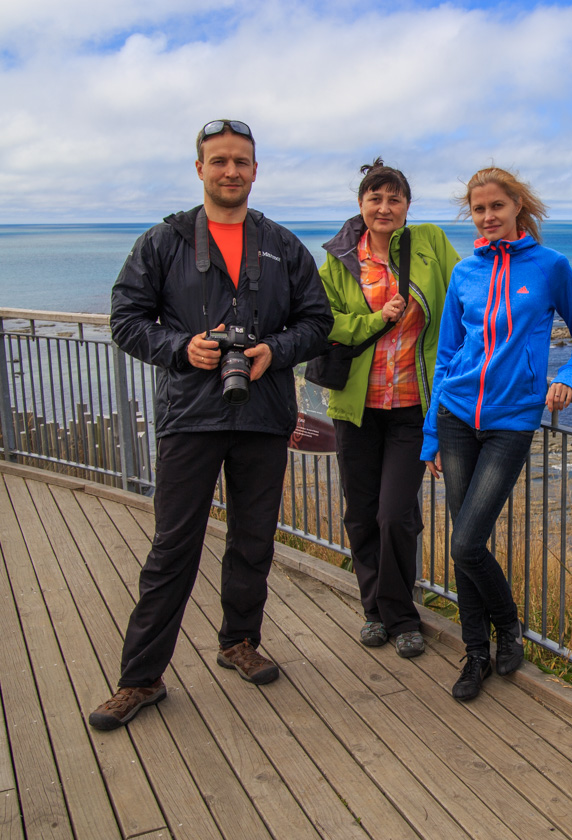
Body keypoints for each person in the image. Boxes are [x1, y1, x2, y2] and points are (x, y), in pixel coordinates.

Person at [89, 119, 333, 731]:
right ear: (199, 169)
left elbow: (317, 321)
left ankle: (238, 642)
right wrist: (181, 348)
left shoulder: (282, 244)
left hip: (262, 414)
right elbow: (124, 318)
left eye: (241, 162)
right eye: (219, 161)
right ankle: (140, 679)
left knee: (253, 541)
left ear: (255, 171)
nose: (231, 171)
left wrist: (272, 352)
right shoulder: (163, 242)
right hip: (190, 418)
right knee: (172, 548)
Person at [421, 167, 572, 701]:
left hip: (510, 422)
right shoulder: (463, 273)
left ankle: (509, 626)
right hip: (455, 416)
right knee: (462, 546)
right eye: (478, 210)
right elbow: (447, 353)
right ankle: (475, 653)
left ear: (518, 205)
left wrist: (566, 377)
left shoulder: (550, 267)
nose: (488, 216)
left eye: (496, 206)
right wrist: (430, 433)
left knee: (467, 541)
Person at [318, 159, 459, 658]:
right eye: (375, 198)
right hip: (356, 408)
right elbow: (325, 324)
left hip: (412, 407)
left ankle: (402, 617)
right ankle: (374, 610)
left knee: (395, 514)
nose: (384, 207)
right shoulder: (338, 262)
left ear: (406, 207)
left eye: (394, 199)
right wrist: (376, 320)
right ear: (361, 205)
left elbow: (467, 296)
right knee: (360, 515)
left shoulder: (430, 244)